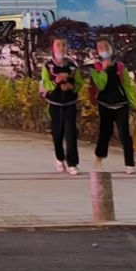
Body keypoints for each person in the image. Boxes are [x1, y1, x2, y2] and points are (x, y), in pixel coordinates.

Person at [83, 40, 136, 173]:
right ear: (97, 51)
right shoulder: (95, 68)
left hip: (121, 104)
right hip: (104, 105)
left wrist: (134, 104)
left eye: (106, 46)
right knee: (105, 133)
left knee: (125, 134)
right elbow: (100, 85)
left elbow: (128, 87)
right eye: (100, 47)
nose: (103, 49)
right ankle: (99, 158)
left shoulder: (120, 67)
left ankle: (130, 164)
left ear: (111, 48)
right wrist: (104, 70)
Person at [41, 37, 82, 174]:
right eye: (58, 45)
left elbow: (79, 83)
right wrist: (56, 82)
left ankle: (72, 163)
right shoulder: (48, 66)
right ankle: (59, 158)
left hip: (70, 103)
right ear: (53, 48)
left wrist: (72, 87)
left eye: (64, 45)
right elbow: (45, 84)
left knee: (71, 133)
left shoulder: (72, 66)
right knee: (57, 134)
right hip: (55, 104)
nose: (61, 48)